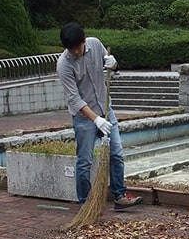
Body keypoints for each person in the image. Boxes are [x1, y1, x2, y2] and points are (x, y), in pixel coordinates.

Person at [57, 22, 142, 210]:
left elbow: (111, 65)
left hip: (105, 108)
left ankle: (119, 195)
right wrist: (95, 119)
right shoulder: (64, 64)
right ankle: (85, 203)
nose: (76, 52)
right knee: (85, 161)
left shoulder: (95, 44)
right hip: (84, 118)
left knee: (117, 153)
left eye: (78, 47)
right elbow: (75, 100)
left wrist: (114, 63)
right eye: (72, 49)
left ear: (84, 40)